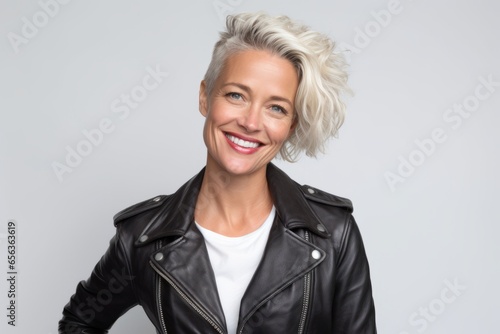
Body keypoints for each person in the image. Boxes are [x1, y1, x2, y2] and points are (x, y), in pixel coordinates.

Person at [59, 12, 376, 334]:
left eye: (276, 108)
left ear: (290, 125)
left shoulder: (333, 233)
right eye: (236, 95)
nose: (251, 122)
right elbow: (80, 322)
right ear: (205, 96)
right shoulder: (142, 237)